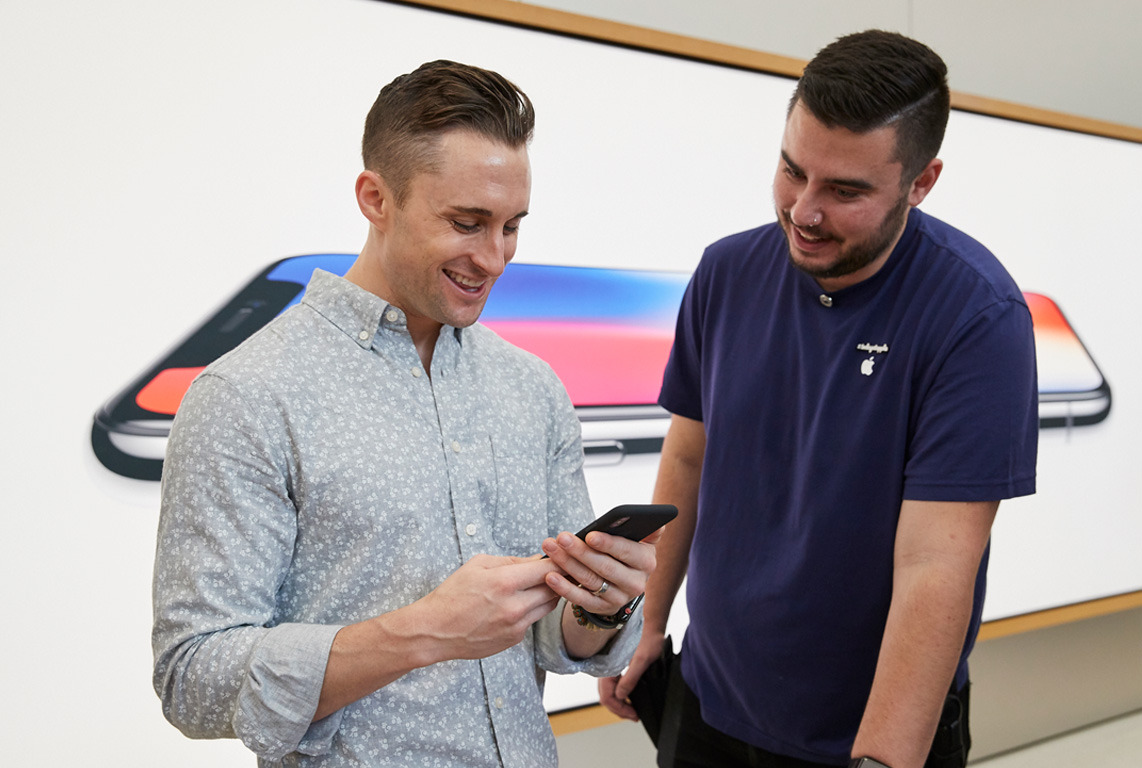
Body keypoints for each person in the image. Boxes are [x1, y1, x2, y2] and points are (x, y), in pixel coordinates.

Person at [152, 60, 655, 768]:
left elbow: (555, 638)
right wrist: (423, 632)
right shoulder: (247, 396)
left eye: (511, 227)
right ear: (375, 198)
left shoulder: (532, 387)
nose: (494, 258)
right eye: (466, 223)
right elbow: (191, 678)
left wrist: (601, 604)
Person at [600, 30, 1038, 768]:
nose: (803, 211)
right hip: (708, 700)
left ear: (921, 182)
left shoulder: (977, 317)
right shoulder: (726, 273)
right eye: (792, 171)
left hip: (868, 733)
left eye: (845, 191)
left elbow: (935, 567)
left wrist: (882, 758)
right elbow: (688, 457)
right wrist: (646, 622)